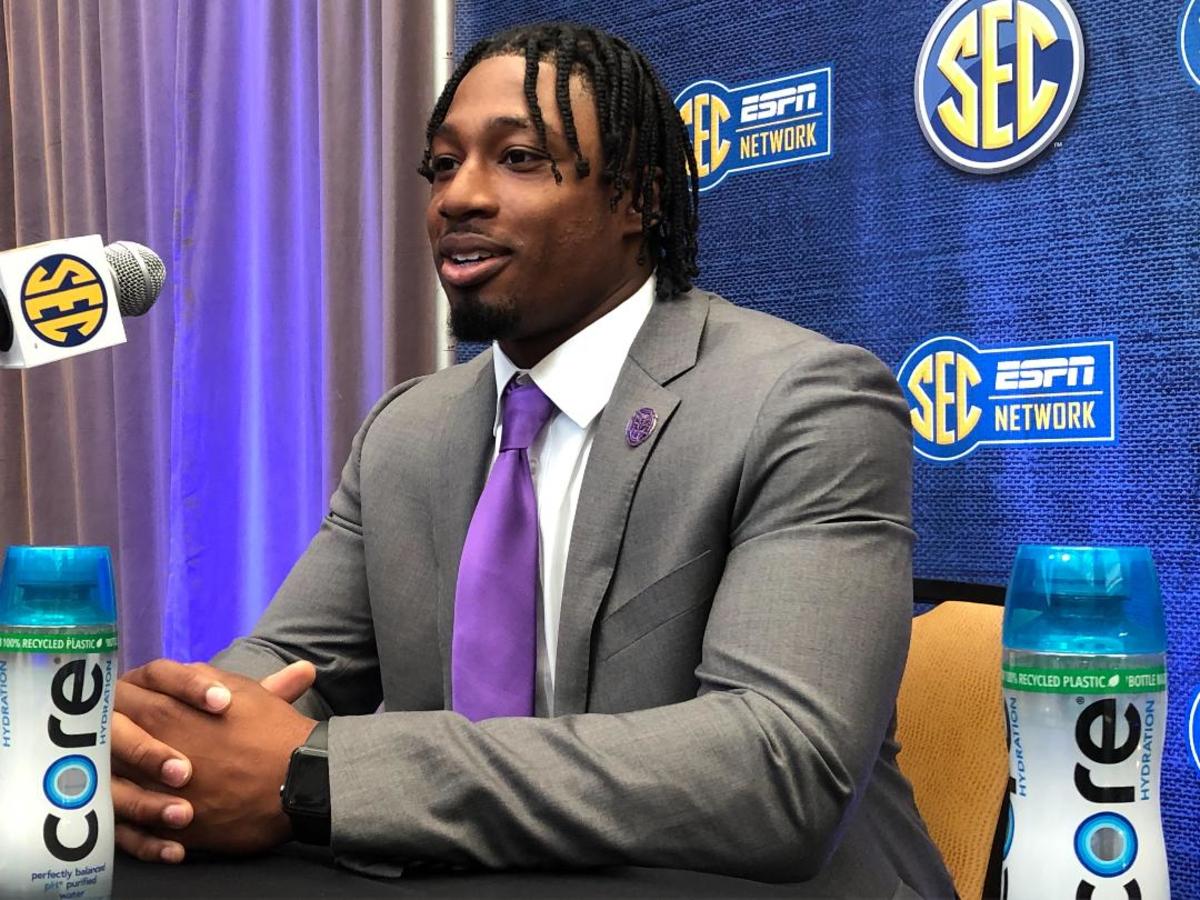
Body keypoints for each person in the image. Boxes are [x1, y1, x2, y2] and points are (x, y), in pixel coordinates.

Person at [111, 22, 954, 897]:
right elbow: (288, 670)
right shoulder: (408, 429)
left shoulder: (806, 402)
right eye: (442, 165)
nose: (458, 198)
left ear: (640, 199)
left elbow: (779, 765)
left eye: (518, 158)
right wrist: (170, 743)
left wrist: (325, 776)